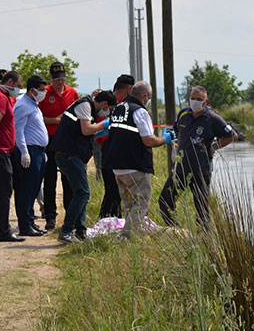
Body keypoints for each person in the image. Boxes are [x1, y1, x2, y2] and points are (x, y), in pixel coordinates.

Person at [158, 86, 237, 227]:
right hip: (181, 167)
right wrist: (182, 146)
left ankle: (204, 236)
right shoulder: (183, 114)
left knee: (201, 207)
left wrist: (213, 148)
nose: (195, 102)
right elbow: (177, 130)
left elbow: (232, 135)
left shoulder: (212, 118)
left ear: (205, 101)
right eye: (193, 99)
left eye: (199, 99)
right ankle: (175, 231)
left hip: (201, 169)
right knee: (165, 199)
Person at [104, 81, 174, 239]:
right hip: (135, 167)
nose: (148, 101)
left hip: (118, 168)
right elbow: (148, 141)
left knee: (129, 205)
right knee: (141, 204)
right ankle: (126, 238)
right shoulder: (140, 112)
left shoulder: (118, 108)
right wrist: (165, 139)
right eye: (148, 98)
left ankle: (136, 236)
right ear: (144, 96)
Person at [51, 91, 117, 243]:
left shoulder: (89, 109)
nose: (106, 113)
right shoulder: (84, 105)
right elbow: (86, 129)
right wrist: (104, 124)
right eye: (108, 109)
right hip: (68, 154)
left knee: (81, 192)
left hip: (74, 155)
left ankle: (80, 231)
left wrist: (101, 132)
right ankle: (67, 231)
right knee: (83, 192)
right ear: (104, 104)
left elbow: (85, 135)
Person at [0, 70, 25, 242]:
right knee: (2, 192)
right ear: (10, 82)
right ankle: (2, 230)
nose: (18, 89)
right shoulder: (0, 98)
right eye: (18, 86)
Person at [39, 62, 79, 230]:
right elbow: (38, 117)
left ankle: (70, 215)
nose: (60, 82)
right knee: (50, 180)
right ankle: (50, 215)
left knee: (68, 179)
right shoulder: (44, 93)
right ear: (51, 78)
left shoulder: (72, 93)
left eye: (62, 78)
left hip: (67, 140)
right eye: (56, 79)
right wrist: (56, 120)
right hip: (49, 139)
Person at [12, 74, 49, 237]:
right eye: (41, 90)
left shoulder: (34, 104)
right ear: (33, 90)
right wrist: (24, 151)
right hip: (30, 151)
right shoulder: (23, 105)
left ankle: (30, 221)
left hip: (39, 151)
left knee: (34, 189)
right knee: (26, 190)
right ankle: (25, 224)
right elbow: (18, 131)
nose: (44, 93)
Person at [99, 74, 134, 218]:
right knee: (113, 188)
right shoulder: (119, 104)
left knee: (115, 189)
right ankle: (109, 217)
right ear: (129, 88)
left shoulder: (123, 102)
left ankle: (113, 216)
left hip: (114, 148)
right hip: (110, 148)